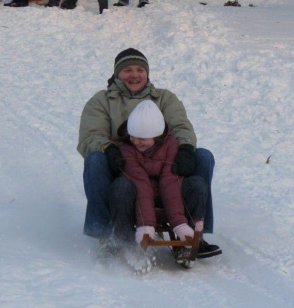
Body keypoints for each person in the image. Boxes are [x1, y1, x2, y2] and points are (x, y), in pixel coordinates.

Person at [77, 48, 221, 259]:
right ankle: (108, 233)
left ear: (147, 73)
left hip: (166, 165)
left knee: (204, 157)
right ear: (117, 74)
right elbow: (90, 136)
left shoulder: (164, 98)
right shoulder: (101, 101)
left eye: (139, 69)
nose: (134, 75)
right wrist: (109, 149)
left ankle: (195, 233)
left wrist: (185, 148)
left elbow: (181, 126)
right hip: (124, 169)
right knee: (95, 160)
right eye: (127, 70)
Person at [117, 100, 206, 251]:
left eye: (142, 139)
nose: (136, 142)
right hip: (137, 198)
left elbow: (170, 182)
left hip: (169, 195)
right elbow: (141, 184)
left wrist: (179, 224)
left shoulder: (170, 145)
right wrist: (146, 225)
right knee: (120, 187)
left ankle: (191, 238)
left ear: (157, 137)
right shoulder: (127, 149)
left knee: (197, 184)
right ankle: (123, 242)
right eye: (133, 136)